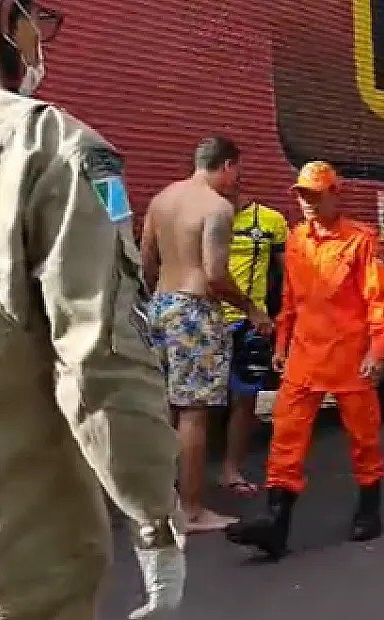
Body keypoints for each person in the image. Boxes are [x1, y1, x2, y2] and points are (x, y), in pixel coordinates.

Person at [0, 1, 185, 620]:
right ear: (5, 18)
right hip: (1, 567)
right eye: (38, 20)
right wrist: (154, 517)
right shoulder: (47, 145)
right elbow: (103, 359)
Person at [226, 160, 384, 558]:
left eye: (313, 195)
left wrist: (378, 351)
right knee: (286, 438)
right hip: (304, 355)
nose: (305, 203)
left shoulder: (361, 241)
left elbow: (380, 302)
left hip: (351, 358)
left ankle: (368, 509)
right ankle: (276, 523)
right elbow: (290, 302)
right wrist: (282, 345)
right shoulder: (296, 241)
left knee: (364, 438)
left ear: (334, 194)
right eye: (301, 195)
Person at [141, 136, 273, 532]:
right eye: (238, 173)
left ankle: (158, 505)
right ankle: (193, 510)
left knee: (164, 408)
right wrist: (252, 307)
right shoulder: (217, 207)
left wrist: (155, 299)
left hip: (160, 306)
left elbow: (146, 257)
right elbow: (215, 274)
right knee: (194, 414)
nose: (237, 182)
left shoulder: (162, 199)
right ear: (227, 166)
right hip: (195, 311)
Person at [220, 198, 290, 496]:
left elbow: (287, 274)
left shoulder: (270, 221)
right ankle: (176, 477)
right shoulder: (204, 212)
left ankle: (231, 471)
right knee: (189, 406)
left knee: (245, 399)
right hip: (204, 319)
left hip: (250, 323)